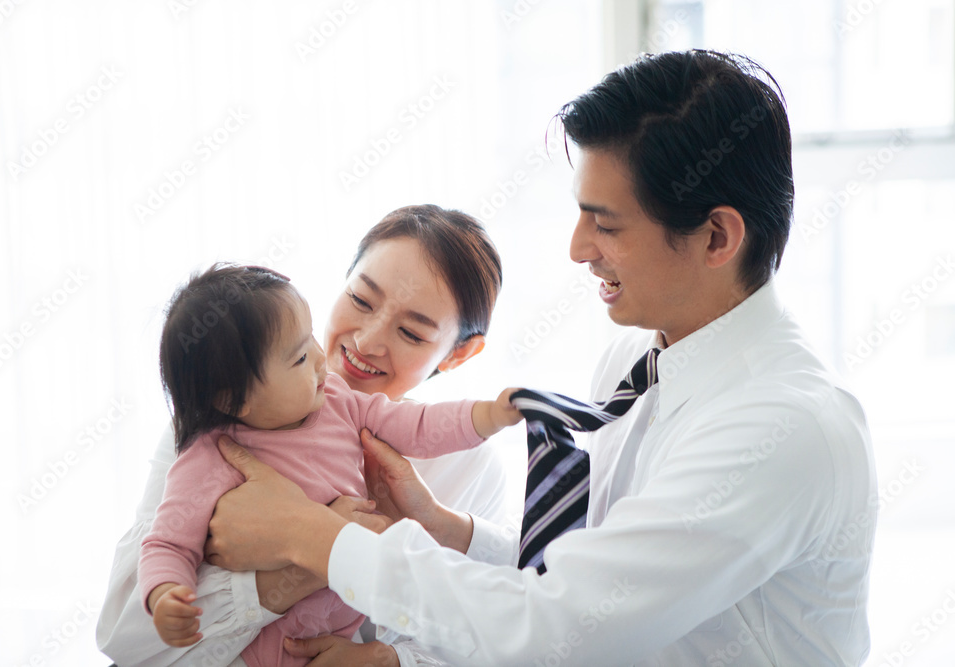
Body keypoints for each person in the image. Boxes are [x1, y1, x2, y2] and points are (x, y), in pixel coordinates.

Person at [203, 50, 878, 666]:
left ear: (716, 237)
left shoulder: (784, 427)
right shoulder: (635, 362)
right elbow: (585, 580)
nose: (578, 249)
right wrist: (447, 530)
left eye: (606, 224)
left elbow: (562, 630)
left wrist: (311, 536)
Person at [97, 205, 519, 667]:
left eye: (411, 333)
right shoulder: (220, 428)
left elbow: (483, 639)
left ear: (459, 354)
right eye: (361, 300)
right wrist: (300, 557)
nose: (366, 342)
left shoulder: (469, 469)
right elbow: (127, 637)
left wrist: (389, 658)